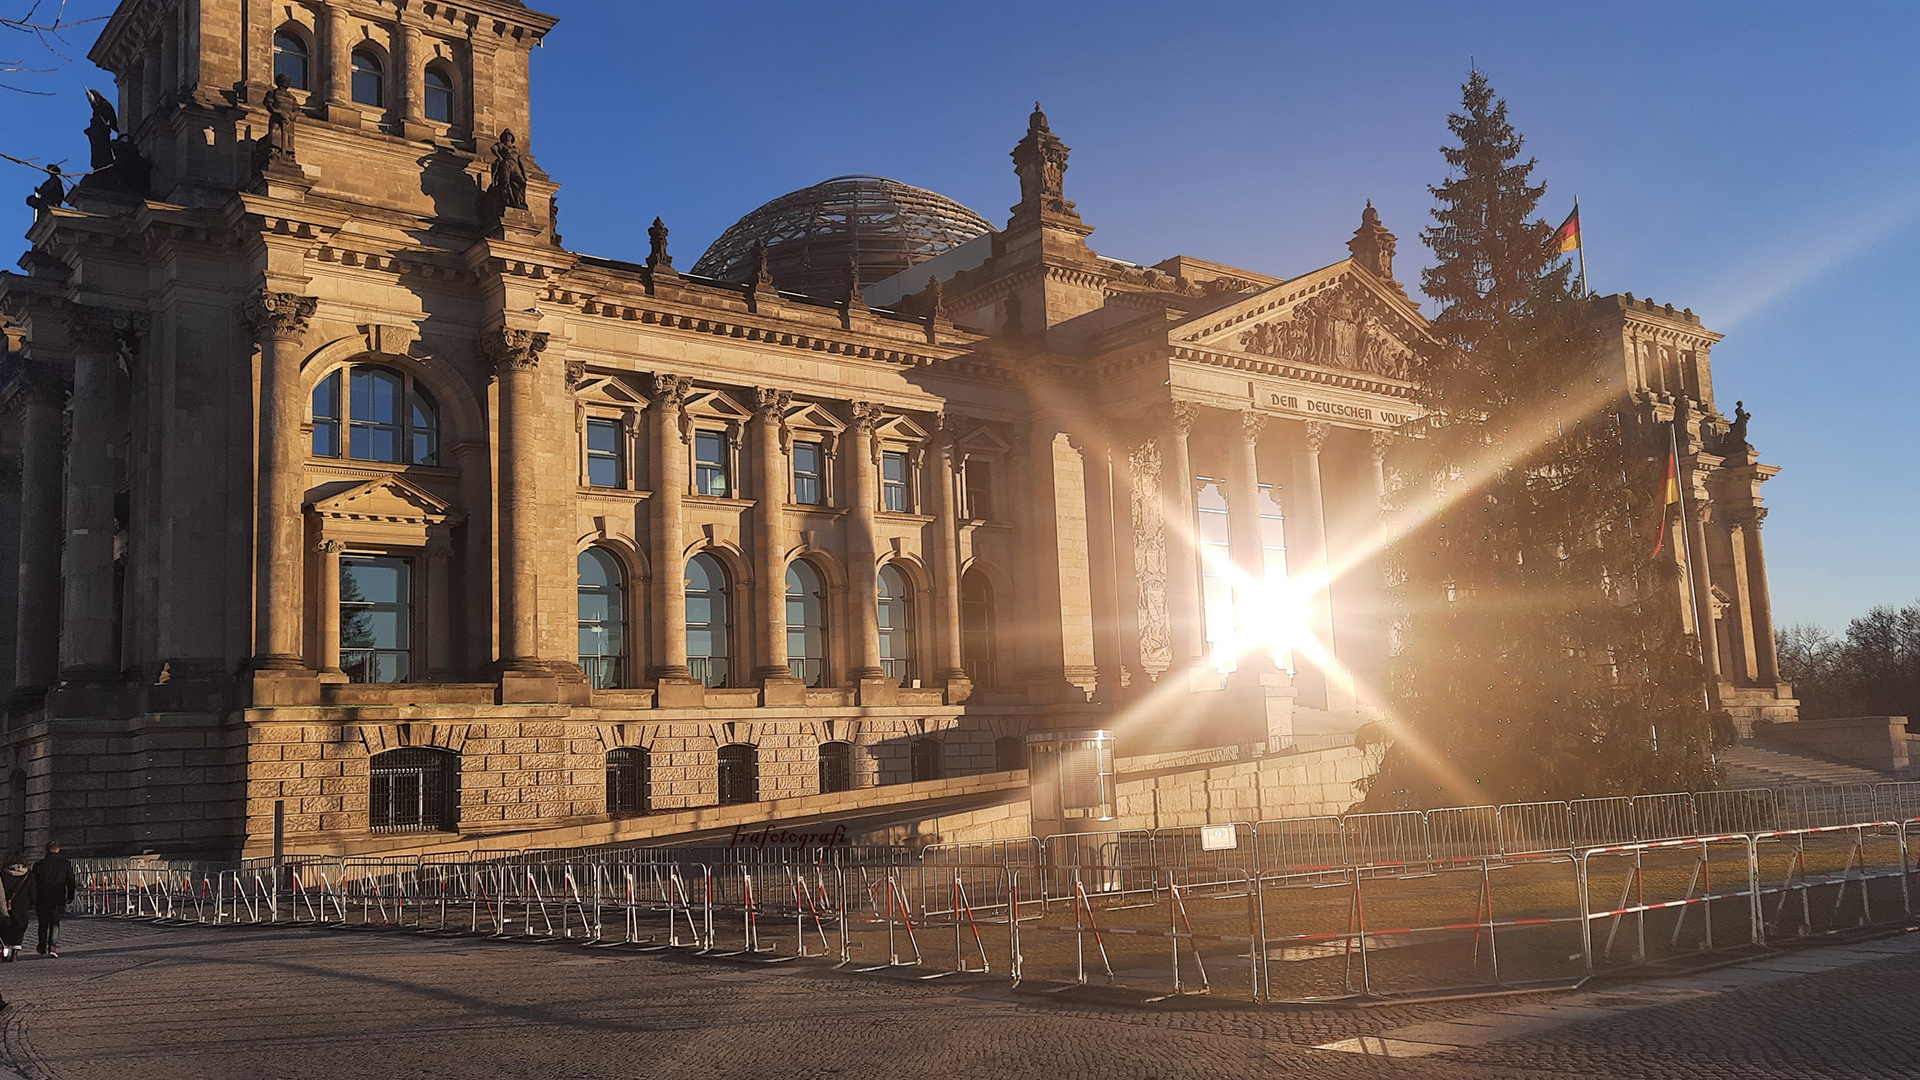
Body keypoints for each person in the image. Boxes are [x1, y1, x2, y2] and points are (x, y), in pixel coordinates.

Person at [33, 842, 75, 957]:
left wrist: (32, 898)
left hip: (41, 897)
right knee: (55, 922)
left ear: (46, 851)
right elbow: (70, 881)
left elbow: (33, 883)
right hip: (58, 896)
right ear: (58, 850)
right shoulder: (65, 864)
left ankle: (42, 947)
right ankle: (52, 947)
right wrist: (70, 896)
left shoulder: (39, 865)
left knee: (42, 923)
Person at [0, 853, 30, 961]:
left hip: (4, 905)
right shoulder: (28, 874)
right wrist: (31, 904)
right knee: (19, 928)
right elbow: (33, 891)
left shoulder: (3, 873)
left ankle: (4, 950)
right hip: (22, 905)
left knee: (4, 927)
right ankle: (15, 952)